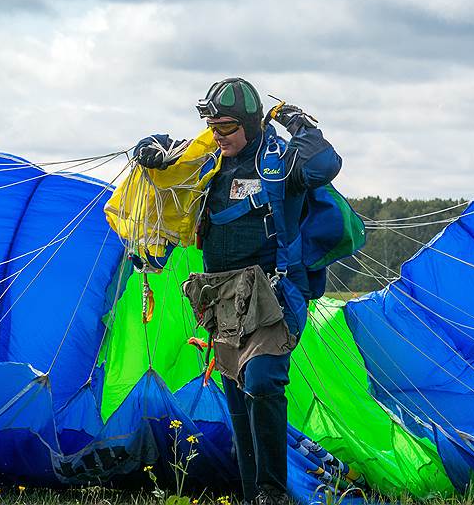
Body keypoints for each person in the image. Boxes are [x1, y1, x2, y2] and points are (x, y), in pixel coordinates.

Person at [133, 77, 342, 504]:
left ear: (250, 122)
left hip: (272, 292)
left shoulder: (278, 161)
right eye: (213, 126)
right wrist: (149, 149)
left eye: (226, 127)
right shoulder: (207, 158)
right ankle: (252, 495)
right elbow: (163, 146)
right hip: (220, 298)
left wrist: (300, 125)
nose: (218, 135)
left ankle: (272, 492)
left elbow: (325, 164)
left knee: (263, 381)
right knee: (237, 388)